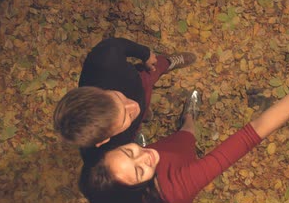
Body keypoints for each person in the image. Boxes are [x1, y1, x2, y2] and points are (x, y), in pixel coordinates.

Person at [79, 39, 289, 203]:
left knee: (181, 136)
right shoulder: (180, 185)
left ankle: (188, 118)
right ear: (138, 190)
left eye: (129, 151)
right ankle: (189, 118)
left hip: (145, 178)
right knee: (186, 140)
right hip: (171, 177)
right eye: (138, 170)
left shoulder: (98, 166)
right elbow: (253, 132)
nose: (144, 155)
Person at [53, 37, 196, 149]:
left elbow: (116, 45)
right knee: (138, 117)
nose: (134, 106)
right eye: (124, 118)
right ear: (104, 140)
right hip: (133, 116)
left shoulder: (104, 61)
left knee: (154, 69)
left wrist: (144, 54)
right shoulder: (113, 147)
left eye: (117, 97)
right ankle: (143, 115)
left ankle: (168, 62)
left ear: (96, 91)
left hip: (139, 80)